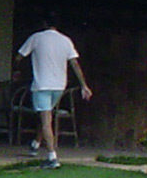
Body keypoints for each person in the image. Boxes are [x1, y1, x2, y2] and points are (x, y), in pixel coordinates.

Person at [15, 15, 91, 169]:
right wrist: (84, 85)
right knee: (45, 117)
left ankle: (52, 157)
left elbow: (19, 56)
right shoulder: (66, 40)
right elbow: (74, 63)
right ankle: (36, 144)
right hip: (59, 86)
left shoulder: (36, 38)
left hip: (42, 84)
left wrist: (17, 70)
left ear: (44, 23)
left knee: (45, 120)